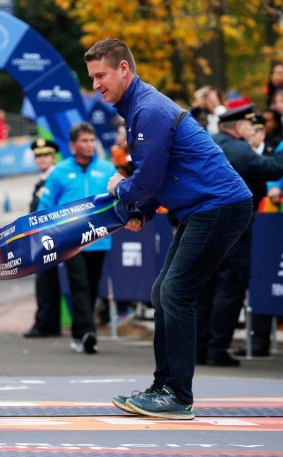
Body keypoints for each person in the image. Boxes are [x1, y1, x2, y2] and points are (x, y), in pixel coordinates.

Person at [84, 38, 253, 420]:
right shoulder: (138, 107)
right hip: (204, 208)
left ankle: (177, 395)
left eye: (101, 75)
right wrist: (140, 211)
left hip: (219, 207)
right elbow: (153, 179)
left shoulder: (148, 109)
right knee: (164, 291)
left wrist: (121, 190)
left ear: (124, 69)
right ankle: (163, 387)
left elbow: (145, 180)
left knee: (175, 293)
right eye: (92, 77)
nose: (96, 85)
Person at [196, 104, 283, 366]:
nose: (253, 130)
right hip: (234, 226)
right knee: (230, 286)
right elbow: (271, 169)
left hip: (203, 223)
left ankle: (199, 348)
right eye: (249, 126)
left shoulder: (207, 142)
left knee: (205, 285)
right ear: (238, 127)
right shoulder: (238, 148)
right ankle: (216, 348)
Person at [36, 123, 115, 353]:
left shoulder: (107, 168)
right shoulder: (60, 172)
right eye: (85, 140)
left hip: (100, 239)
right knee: (79, 283)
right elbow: (45, 205)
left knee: (91, 285)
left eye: (92, 140)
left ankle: (80, 334)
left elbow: (117, 201)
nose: (90, 145)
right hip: (70, 241)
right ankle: (89, 332)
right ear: (73, 145)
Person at [23, 138, 62, 338]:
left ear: (53, 156)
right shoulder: (42, 180)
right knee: (46, 281)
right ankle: (47, 322)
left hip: (53, 238)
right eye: (38, 156)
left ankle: (46, 323)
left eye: (46, 155)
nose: (42, 159)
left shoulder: (55, 178)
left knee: (47, 282)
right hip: (42, 238)